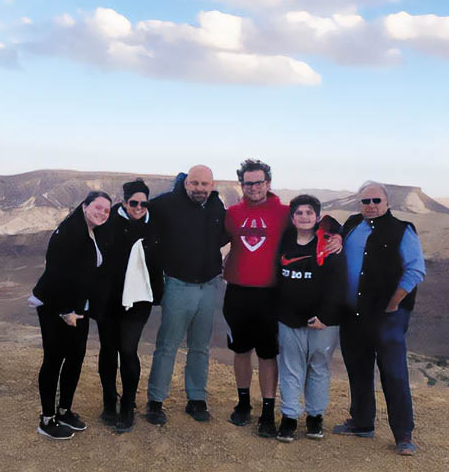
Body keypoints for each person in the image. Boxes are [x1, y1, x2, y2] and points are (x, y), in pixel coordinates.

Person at [333, 181, 425, 456]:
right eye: (366, 201)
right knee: (358, 368)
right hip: (353, 314)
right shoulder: (351, 225)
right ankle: (362, 422)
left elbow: (415, 270)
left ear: (387, 203)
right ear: (359, 203)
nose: (371, 206)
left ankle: (403, 434)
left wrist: (393, 303)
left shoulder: (402, 230)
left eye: (376, 201)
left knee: (394, 373)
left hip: (388, 316)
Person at [145, 165, 227, 425]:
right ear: (185, 183)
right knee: (167, 345)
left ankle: (196, 398)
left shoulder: (216, 205)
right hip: (178, 285)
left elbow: (224, 235)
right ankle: (156, 400)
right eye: (194, 183)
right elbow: (139, 216)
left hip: (209, 286)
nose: (199, 188)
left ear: (212, 185)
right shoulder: (165, 205)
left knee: (200, 347)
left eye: (204, 184)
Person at [31, 191, 112, 439]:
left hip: (79, 306)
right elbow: (57, 273)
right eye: (98, 207)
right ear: (85, 206)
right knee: (54, 359)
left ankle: (64, 410)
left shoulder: (92, 231)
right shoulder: (70, 232)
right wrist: (66, 311)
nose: (102, 213)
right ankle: (47, 419)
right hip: (56, 305)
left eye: (107, 210)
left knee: (75, 357)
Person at [222, 159, 290, 437]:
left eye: (258, 182)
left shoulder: (285, 213)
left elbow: (314, 230)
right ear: (242, 185)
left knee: (267, 354)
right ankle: (243, 403)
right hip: (237, 292)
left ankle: (267, 411)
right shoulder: (232, 213)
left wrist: (336, 239)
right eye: (247, 183)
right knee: (240, 351)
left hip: (270, 294)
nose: (253, 187)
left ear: (268, 183)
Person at [275, 195, 346, 443]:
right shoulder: (284, 240)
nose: (304, 217)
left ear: (317, 217)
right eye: (299, 213)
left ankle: (315, 416)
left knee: (318, 367)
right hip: (289, 318)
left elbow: (338, 283)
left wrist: (325, 316)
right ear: (292, 217)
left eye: (309, 213)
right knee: (290, 368)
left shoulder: (328, 244)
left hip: (323, 321)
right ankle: (289, 417)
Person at [98, 179, 163, 434]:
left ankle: (127, 404)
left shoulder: (153, 225)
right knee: (108, 349)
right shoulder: (108, 222)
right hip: (108, 298)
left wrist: (157, 293)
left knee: (127, 349)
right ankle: (108, 401)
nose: (139, 208)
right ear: (124, 202)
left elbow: (159, 261)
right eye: (133, 203)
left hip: (138, 299)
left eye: (144, 204)